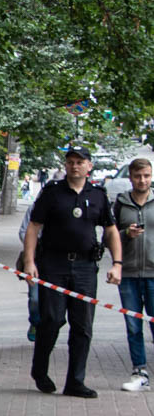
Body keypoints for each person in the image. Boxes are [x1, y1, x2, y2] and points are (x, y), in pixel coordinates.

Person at [22, 145, 122, 398]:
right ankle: (40, 370)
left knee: (83, 326)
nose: (75, 166)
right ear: (66, 165)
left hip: (86, 268)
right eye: (71, 161)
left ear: (89, 166)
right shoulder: (52, 193)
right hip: (53, 265)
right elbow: (34, 227)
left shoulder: (98, 195)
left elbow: (110, 230)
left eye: (80, 162)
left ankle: (76, 382)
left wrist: (117, 264)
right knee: (52, 320)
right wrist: (29, 262)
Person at [113, 157, 154, 392]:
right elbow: (110, 236)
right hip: (128, 273)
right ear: (131, 177)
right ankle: (139, 370)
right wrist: (125, 233)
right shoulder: (121, 203)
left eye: (147, 176)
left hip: (153, 272)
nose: (142, 180)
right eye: (138, 176)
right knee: (133, 324)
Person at [18, 202, 40, 342]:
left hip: (57, 263)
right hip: (36, 260)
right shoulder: (35, 207)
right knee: (35, 299)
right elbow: (23, 232)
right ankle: (35, 322)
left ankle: (47, 333)